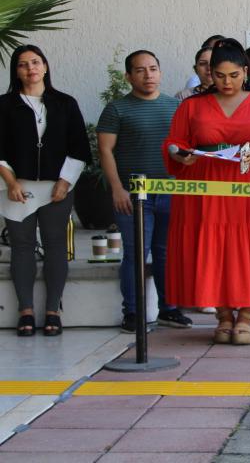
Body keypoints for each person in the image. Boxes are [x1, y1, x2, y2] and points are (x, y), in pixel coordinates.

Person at [164, 38, 250, 345]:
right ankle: (223, 315)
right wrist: (180, 154)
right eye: (220, 75)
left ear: (246, 72)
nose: (227, 82)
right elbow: (174, 142)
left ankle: (247, 316)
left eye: (234, 75)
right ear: (209, 73)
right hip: (206, 183)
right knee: (213, 248)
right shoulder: (191, 106)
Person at [96, 50, 192, 333]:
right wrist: (117, 189)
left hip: (171, 191)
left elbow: (182, 147)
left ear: (160, 73)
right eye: (140, 70)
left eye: (153, 68)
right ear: (128, 76)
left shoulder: (176, 107)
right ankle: (133, 313)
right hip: (133, 195)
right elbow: (105, 150)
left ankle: (169, 309)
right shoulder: (116, 109)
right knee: (136, 252)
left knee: (166, 253)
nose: (148, 75)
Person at [0, 45, 90, 337]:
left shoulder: (65, 103)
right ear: (16, 71)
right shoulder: (4, 105)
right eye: (23, 64)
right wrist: (11, 183)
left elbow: (79, 147)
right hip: (16, 187)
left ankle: (53, 310)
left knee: (55, 245)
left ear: (46, 66)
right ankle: (25, 310)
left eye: (36, 62)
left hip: (57, 187)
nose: (31, 68)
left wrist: (65, 182)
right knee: (22, 246)